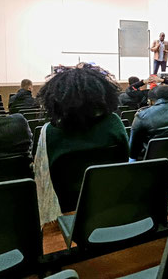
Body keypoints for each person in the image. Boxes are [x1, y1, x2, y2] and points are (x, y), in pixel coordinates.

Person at [34, 64, 129, 225]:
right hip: (112, 199)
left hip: (68, 207)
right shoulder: (113, 122)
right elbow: (124, 159)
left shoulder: (49, 132)